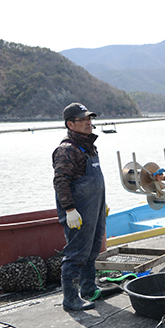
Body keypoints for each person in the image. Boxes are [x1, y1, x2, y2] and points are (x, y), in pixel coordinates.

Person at [52, 103, 107, 311]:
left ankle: (88, 289)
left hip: (95, 207)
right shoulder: (66, 150)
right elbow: (60, 182)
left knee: (92, 249)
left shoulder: (89, 146)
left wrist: (103, 203)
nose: (88, 123)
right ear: (70, 124)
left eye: (89, 119)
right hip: (78, 212)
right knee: (76, 252)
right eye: (83, 120)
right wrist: (69, 210)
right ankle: (70, 298)